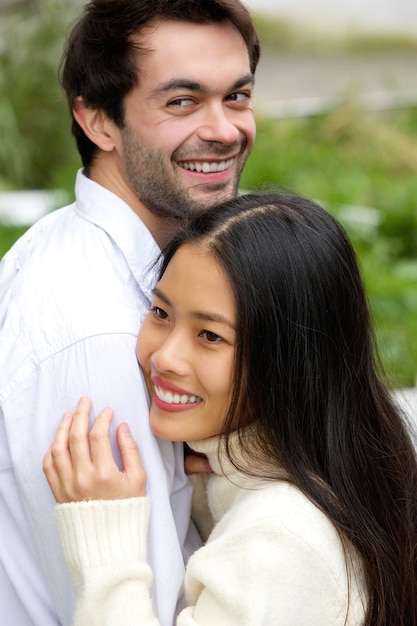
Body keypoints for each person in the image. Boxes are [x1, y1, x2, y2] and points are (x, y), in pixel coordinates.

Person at [44, 192, 417, 625]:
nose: (165, 356)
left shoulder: (281, 539)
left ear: (289, 361)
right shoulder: (327, 476)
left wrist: (105, 547)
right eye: (161, 311)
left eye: (210, 336)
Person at [0, 1, 260, 624]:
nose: (224, 129)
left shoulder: (67, 244)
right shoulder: (106, 336)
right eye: (182, 101)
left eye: (238, 96)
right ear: (98, 120)